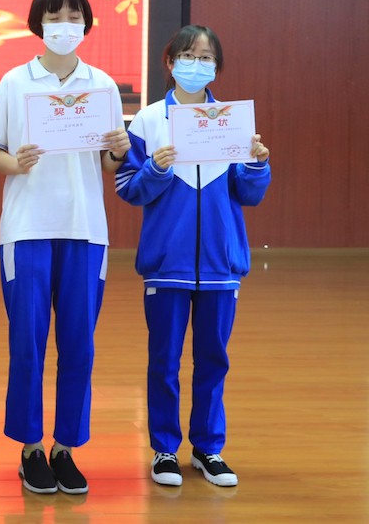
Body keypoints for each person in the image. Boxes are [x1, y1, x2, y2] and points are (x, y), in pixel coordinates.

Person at [0, 0, 129, 495]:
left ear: (86, 24)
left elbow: (110, 162)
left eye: (73, 17)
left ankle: (65, 446)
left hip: (85, 229)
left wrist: (119, 148)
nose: (64, 26)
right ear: (38, 24)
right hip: (27, 228)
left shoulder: (102, 85)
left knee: (79, 344)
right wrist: (16, 162)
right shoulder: (14, 82)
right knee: (28, 342)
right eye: (54, 16)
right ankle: (30, 448)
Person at [115, 25, 271, 488]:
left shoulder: (232, 121)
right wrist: (155, 169)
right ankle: (164, 449)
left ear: (216, 68)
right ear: (170, 62)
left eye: (205, 58)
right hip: (168, 264)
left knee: (213, 359)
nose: (196, 64)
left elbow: (248, 194)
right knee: (164, 360)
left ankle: (208, 448)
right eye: (187, 55)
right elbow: (129, 188)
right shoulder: (148, 120)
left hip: (222, 264)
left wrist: (257, 163)